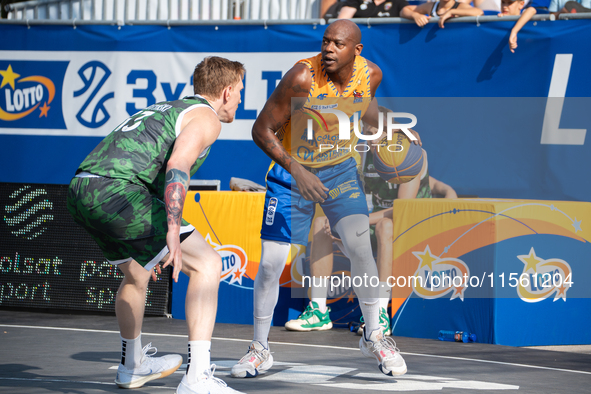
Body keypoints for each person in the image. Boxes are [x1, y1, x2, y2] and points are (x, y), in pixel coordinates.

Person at [231, 19, 421, 380]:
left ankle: (374, 336)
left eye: (338, 43)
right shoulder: (301, 77)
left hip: (339, 171)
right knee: (271, 263)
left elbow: (366, 113)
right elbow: (261, 129)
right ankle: (259, 349)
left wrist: (391, 127)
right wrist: (298, 169)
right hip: (292, 173)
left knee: (360, 247)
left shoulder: (371, 74)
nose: (329, 49)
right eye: (325, 41)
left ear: (356, 50)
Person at [67, 56, 245, 394]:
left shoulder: (168, 107)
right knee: (208, 263)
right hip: (117, 191)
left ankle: (132, 366)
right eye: (239, 91)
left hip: (81, 189)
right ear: (225, 92)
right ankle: (198, 378)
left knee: (137, 275)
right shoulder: (207, 118)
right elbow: (178, 164)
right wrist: (172, 231)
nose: (240, 99)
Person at [285, 122, 457, 335]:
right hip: (369, 224)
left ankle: (380, 312)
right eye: (368, 132)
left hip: (404, 230)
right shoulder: (357, 153)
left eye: (379, 132)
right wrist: (338, 219)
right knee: (322, 223)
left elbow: (401, 209)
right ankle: (318, 310)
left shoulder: (409, 154)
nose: (372, 138)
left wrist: (362, 221)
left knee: (385, 226)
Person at [412, 0, 484, 28]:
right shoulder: (430, 6)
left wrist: (452, 12)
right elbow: (405, 10)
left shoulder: (460, 6)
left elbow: (479, 12)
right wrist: (415, 15)